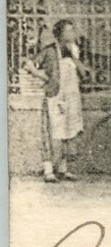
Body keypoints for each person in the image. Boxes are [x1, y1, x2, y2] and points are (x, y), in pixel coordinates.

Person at [31, 19, 85, 183]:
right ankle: (49, 170)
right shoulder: (49, 51)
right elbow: (29, 64)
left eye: (73, 30)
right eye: (68, 30)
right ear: (60, 34)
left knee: (68, 131)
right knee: (53, 132)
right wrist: (44, 77)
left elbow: (81, 72)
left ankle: (63, 169)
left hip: (71, 96)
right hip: (55, 96)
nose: (72, 33)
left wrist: (76, 59)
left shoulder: (74, 50)